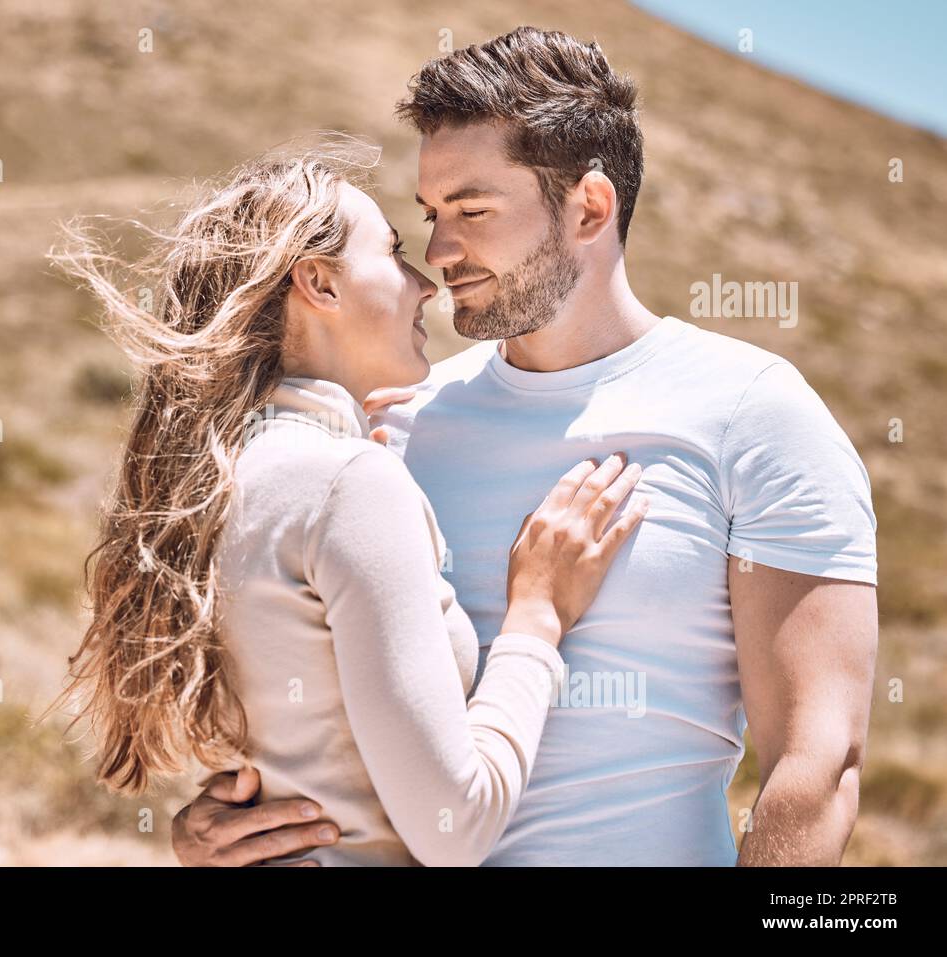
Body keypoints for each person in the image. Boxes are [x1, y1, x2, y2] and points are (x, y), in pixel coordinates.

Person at [172, 26, 878, 867]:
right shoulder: (394, 426)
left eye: (472, 210)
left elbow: (817, 763)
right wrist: (218, 825)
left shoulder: (755, 415)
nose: (438, 254)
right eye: (430, 216)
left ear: (589, 206)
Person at [46, 147, 648, 866]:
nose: (425, 284)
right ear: (319, 284)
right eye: (393, 254)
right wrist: (538, 616)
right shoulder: (347, 482)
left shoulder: (223, 479)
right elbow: (454, 827)